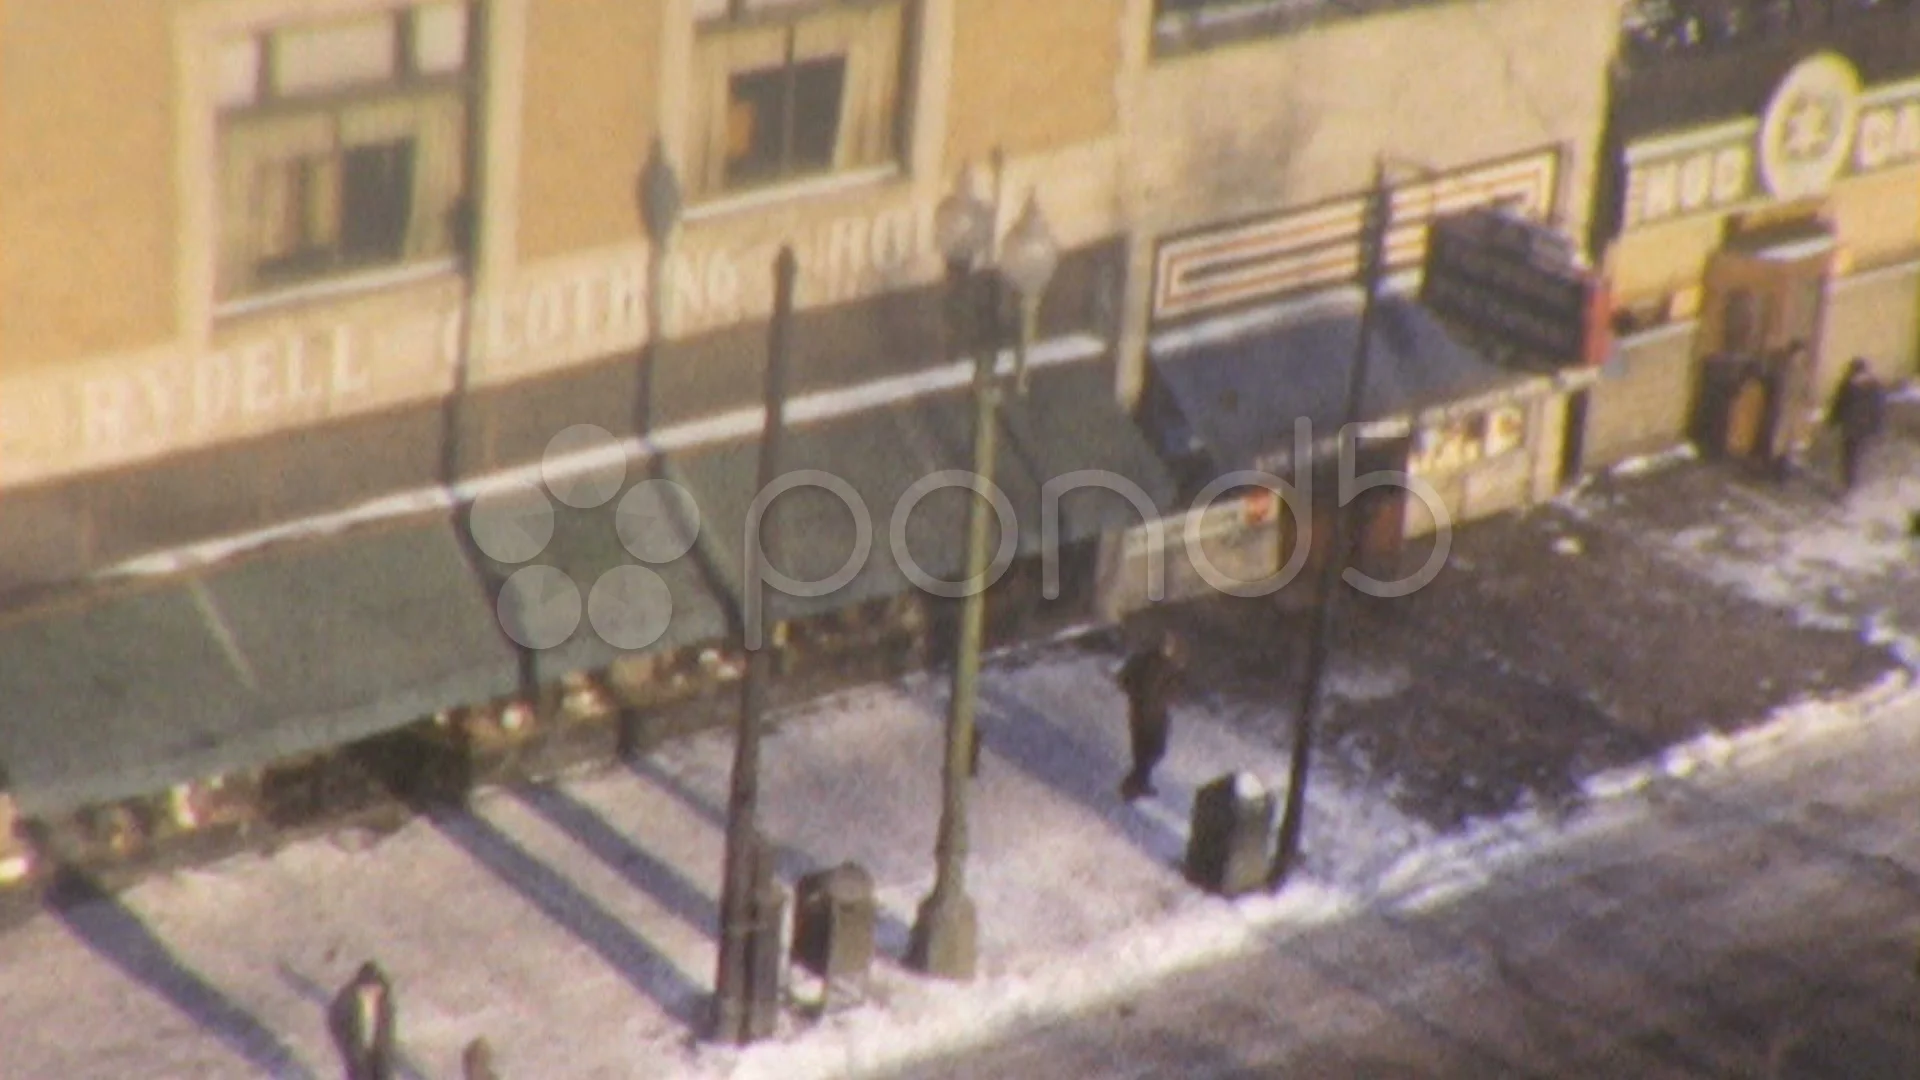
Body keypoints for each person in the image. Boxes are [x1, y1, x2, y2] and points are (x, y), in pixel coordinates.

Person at [1117, 631, 1185, 801]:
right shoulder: (1159, 665)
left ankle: (1136, 785)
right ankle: (1134, 786)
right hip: (1149, 712)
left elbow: (1124, 679)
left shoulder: (1158, 664)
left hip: (1149, 711)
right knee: (1149, 750)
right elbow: (1125, 679)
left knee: (1149, 751)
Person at [1826, 357, 1887, 495]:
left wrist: (1877, 429)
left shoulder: (1874, 389)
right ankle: (1848, 483)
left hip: (1862, 429)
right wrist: (1831, 421)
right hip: (1850, 428)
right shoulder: (1847, 385)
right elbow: (1838, 405)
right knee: (1848, 456)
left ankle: (1850, 485)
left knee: (1855, 456)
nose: (1855, 378)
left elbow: (1878, 411)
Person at [327, 961, 397, 1080]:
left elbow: (387, 1025)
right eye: (373, 988)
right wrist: (348, 1045)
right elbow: (335, 1022)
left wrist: (386, 1047)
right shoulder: (347, 999)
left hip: (379, 1051)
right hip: (357, 1051)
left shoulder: (383, 1000)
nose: (376, 992)